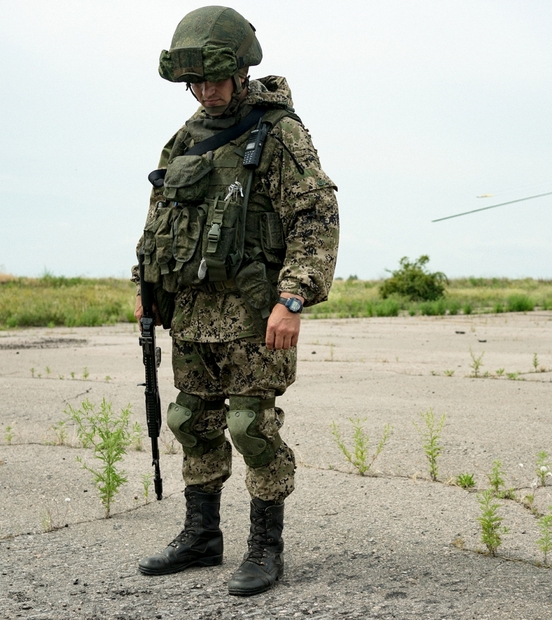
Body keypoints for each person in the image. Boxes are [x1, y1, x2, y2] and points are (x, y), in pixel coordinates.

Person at [133, 5, 339, 596]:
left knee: (252, 426)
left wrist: (293, 298)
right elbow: (158, 225)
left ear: (242, 71)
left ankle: (265, 548)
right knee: (191, 420)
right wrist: (147, 291)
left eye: (215, 79)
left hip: (255, 313)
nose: (205, 91)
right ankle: (202, 536)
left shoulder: (279, 133)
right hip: (192, 311)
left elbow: (316, 216)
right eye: (195, 81)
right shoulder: (185, 137)